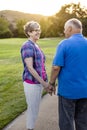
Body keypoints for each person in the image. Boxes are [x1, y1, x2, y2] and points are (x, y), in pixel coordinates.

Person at [48, 18, 87, 130]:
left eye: (65, 29)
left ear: (70, 29)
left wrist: (51, 83)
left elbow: (56, 68)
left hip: (68, 92)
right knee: (83, 123)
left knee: (66, 123)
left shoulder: (64, 44)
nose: (64, 32)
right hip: (85, 91)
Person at [20, 21, 49, 130]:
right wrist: (44, 83)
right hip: (32, 83)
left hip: (38, 82)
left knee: (35, 109)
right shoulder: (27, 46)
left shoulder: (35, 45)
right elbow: (30, 68)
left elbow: (41, 66)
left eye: (39, 30)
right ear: (29, 32)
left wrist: (45, 82)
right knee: (33, 110)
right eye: (35, 30)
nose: (38, 32)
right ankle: (29, 128)